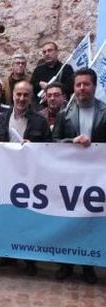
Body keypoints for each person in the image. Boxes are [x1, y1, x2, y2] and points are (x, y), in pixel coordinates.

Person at [52, 68, 106, 285]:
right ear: (73, 88)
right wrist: (70, 143)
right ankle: (66, 264)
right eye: (78, 85)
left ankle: (88, 266)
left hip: (97, 179)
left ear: (94, 86)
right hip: (70, 178)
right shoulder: (65, 113)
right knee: (68, 218)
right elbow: (53, 141)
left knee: (89, 221)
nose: (82, 88)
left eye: (86, 84)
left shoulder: (105, 111)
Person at [0, 81, 51, 276]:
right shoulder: (2, 118)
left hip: (30, 179)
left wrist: (34, 147)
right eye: (18, 94)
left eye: (26, 95)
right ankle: (7, 254)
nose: (22, 98)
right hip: (6, 178)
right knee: (7, 217)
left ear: (31, 97)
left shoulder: (40, 121)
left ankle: (30, 259)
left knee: (28, 219)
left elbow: (50, 149)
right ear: (13, 96)